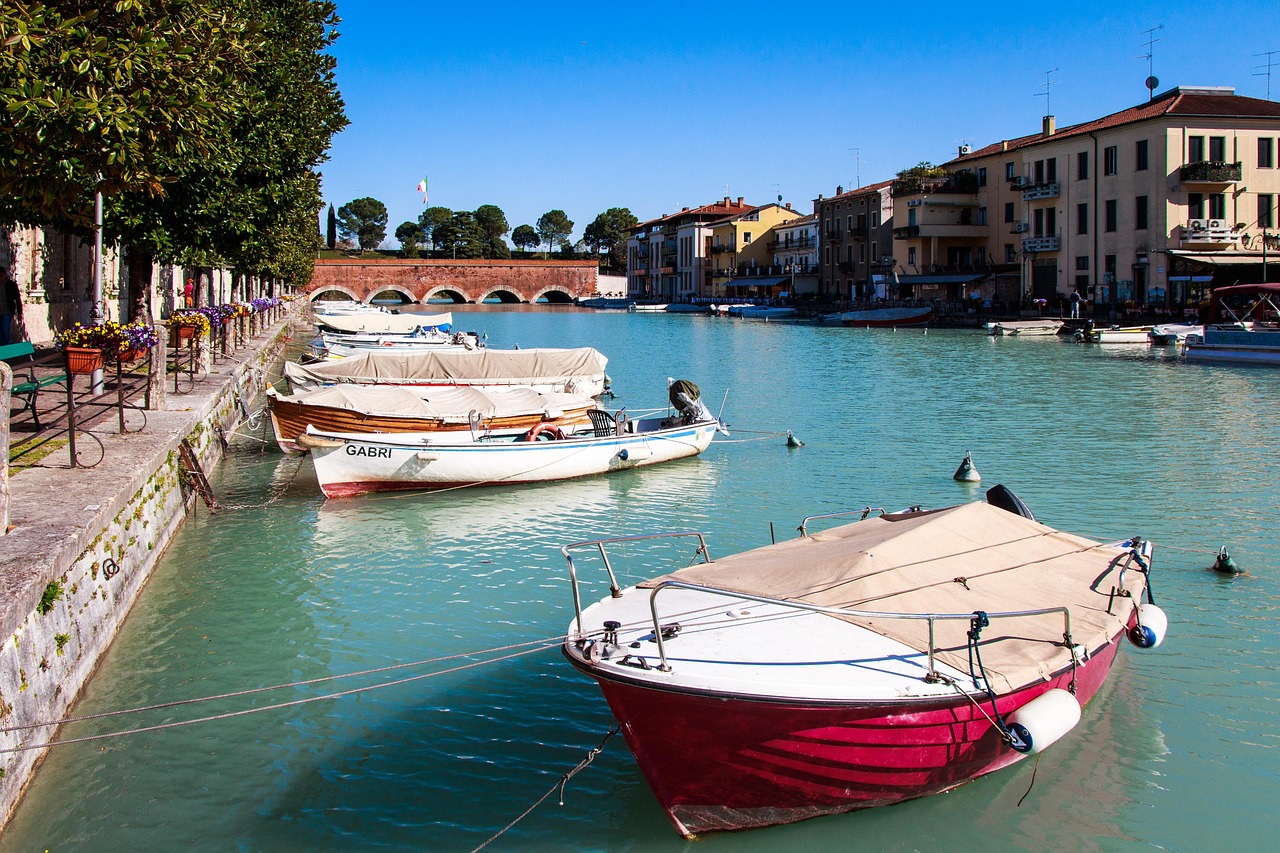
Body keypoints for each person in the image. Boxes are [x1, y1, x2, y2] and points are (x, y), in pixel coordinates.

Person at [0, 265, 22, 346]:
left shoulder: (11, 285)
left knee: (5, 331)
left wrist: (20, 312)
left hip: (7, 311)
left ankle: (4, 351)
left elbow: (17, 299)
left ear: (4, 275)